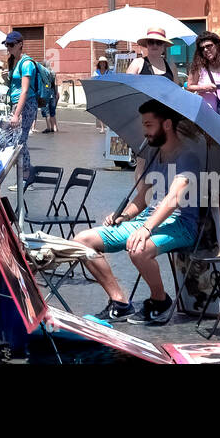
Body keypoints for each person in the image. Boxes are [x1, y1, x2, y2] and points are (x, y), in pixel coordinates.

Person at [73, 101, 207, 325]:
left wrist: (146, 229)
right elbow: (142, 198)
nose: (144, 132)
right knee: (82, 241)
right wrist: (124, 216)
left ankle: (160, 300)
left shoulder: (187, 157)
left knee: (138, 249)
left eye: (148, 125)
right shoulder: (155, 155)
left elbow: (173, 198)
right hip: (147, 221)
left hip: (181, 224)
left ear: (166, 124)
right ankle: (119, 302)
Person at [3, 31, 39, 191]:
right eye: (6, 44)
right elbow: (14, 86)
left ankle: (26, 178)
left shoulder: (26, 63)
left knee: (20, 141)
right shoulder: (13, 61)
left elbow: (24, 90)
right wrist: (6, 78)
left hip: (26, 105)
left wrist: (17, 114)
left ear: (20, 44)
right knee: (9, 141)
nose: (8, 48)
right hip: (16, 104)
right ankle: (26, 175)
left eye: (11, 45)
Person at [94, 56, 111, 133]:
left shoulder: (109, 72)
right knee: (101, 112)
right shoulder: (96, 72)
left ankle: (108, 126)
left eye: (104, 62)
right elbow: (93, 82)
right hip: (99, 93)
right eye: (101, 62)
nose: (102, 64)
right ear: (99, 64)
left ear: (106, 63)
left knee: (108, 111)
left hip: (108, 93)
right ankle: (102, 127)